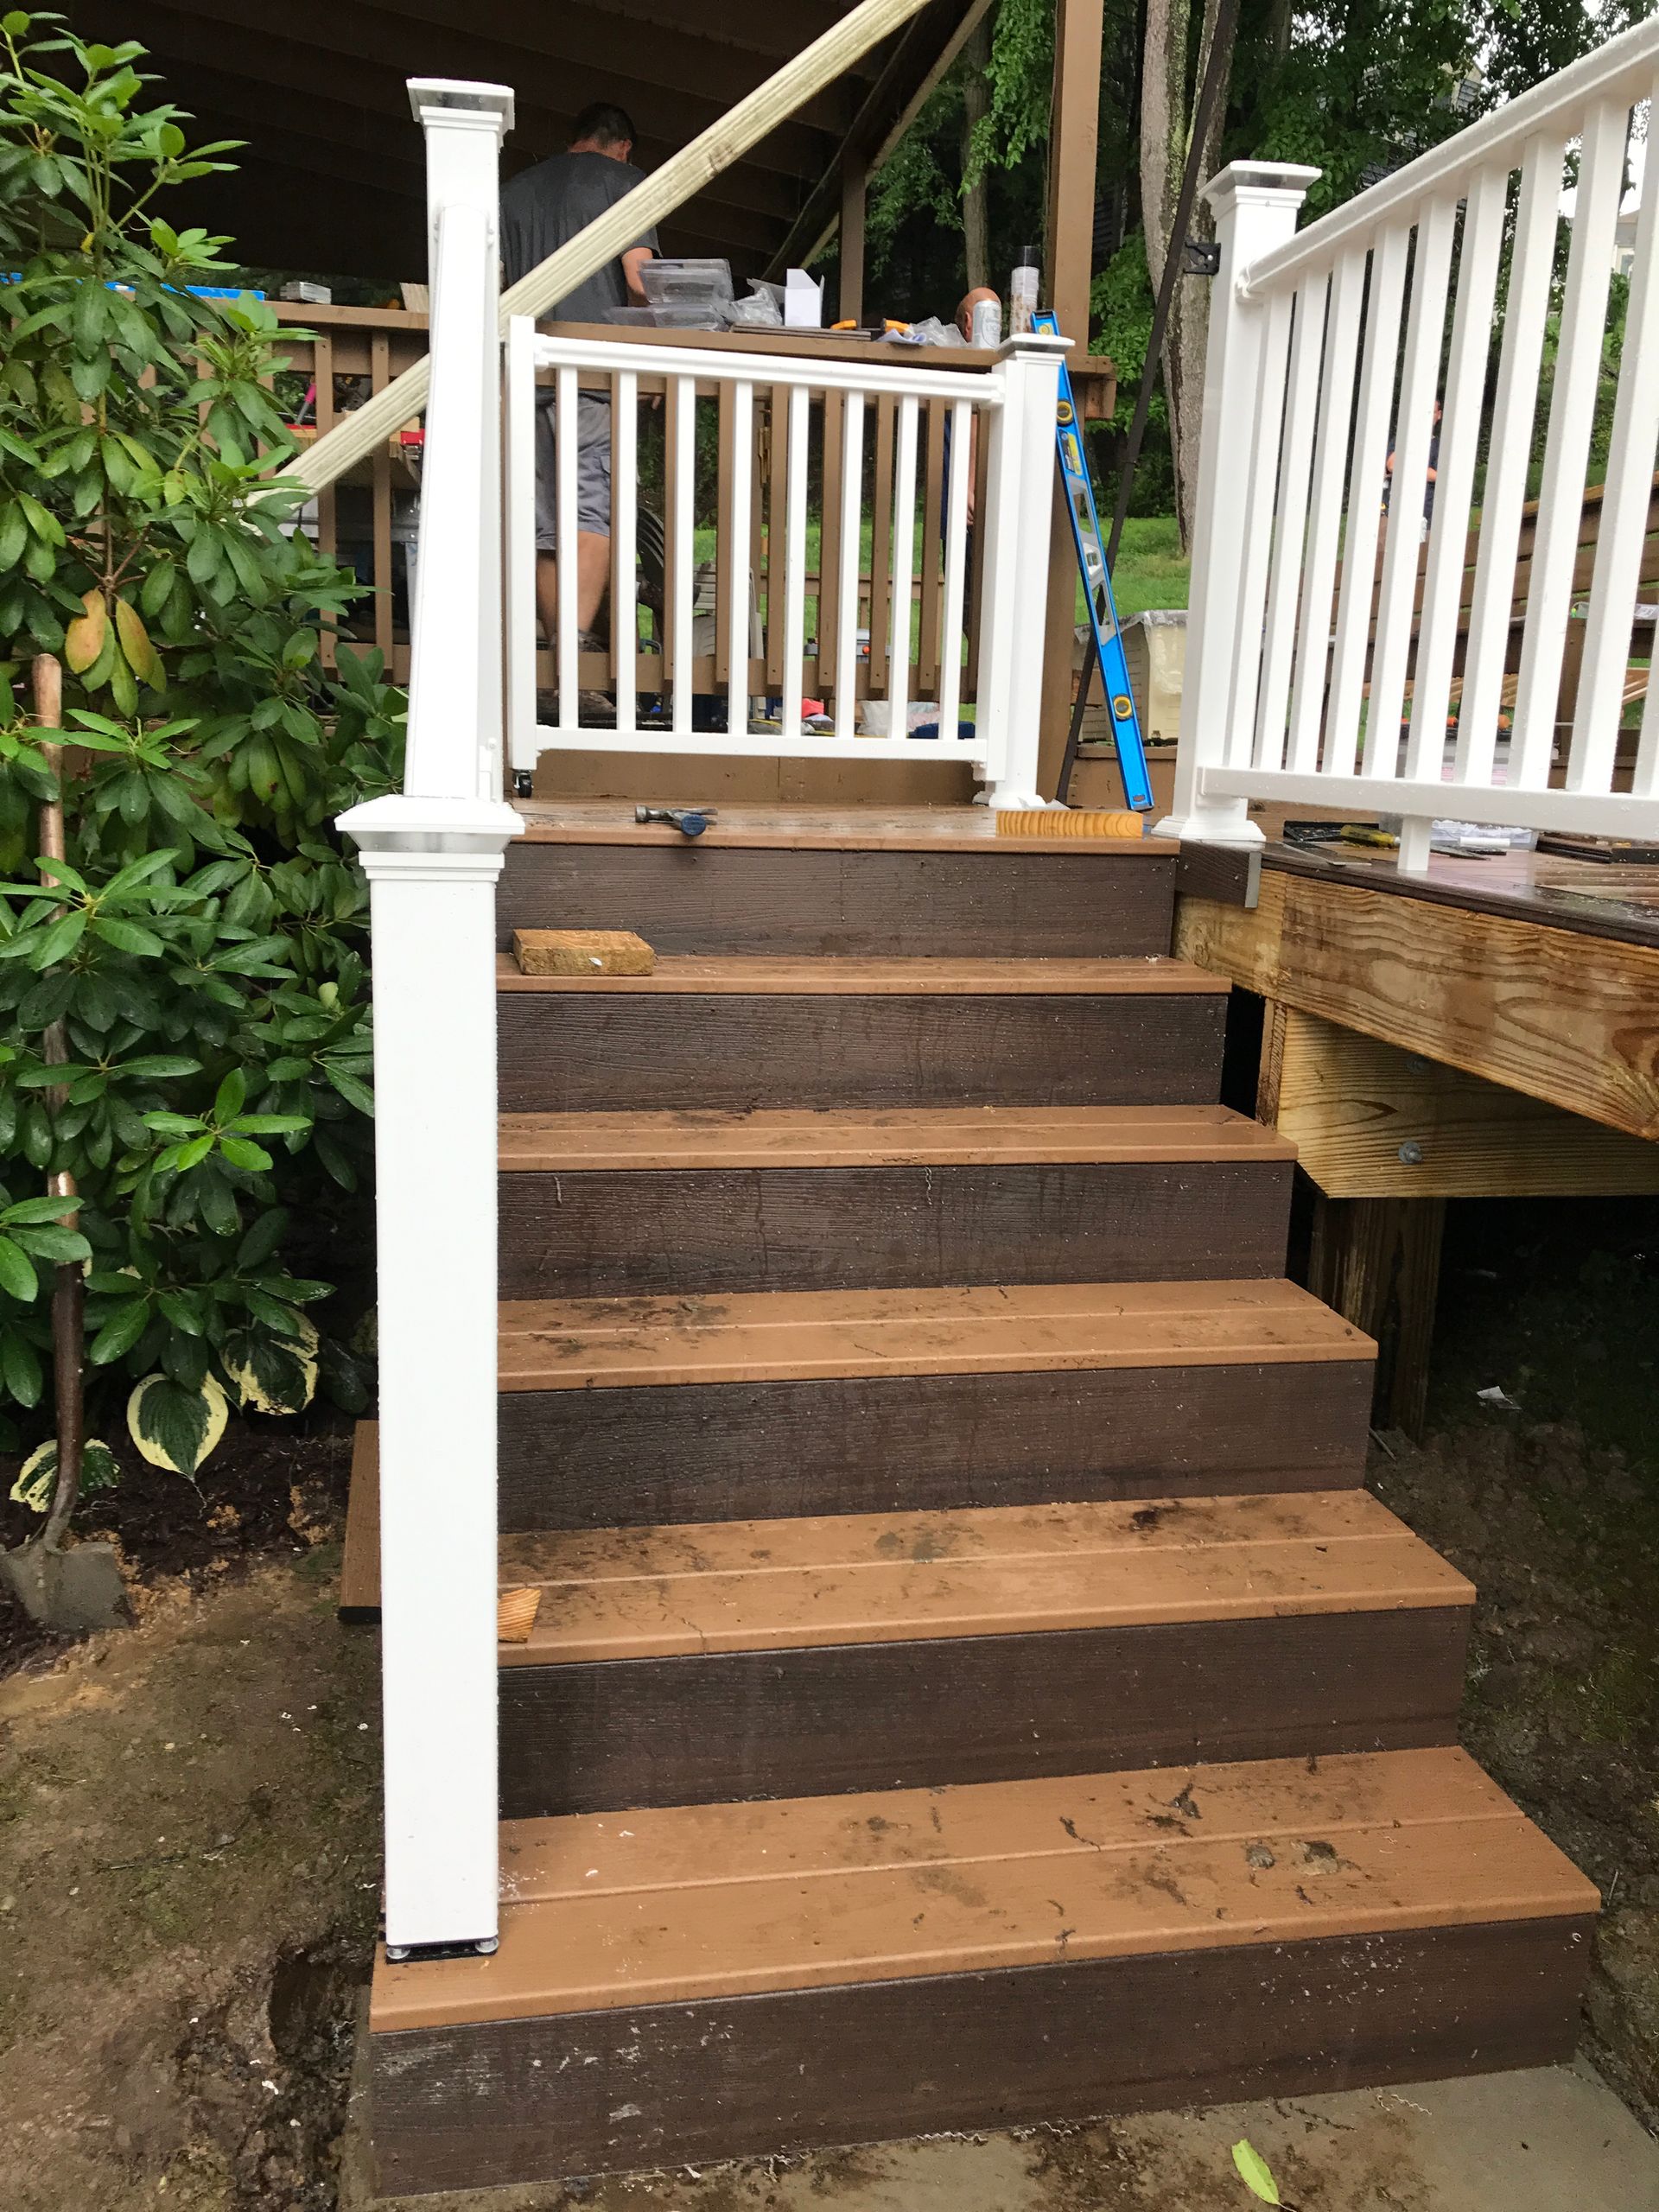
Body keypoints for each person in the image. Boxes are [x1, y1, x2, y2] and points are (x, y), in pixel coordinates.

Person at [500, 103, 658, 690]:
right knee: (592, 508)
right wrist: (656, 353)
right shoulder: (626, 182)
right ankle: (573, 662)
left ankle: (554, 659)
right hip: (594, 375)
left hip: (527, 373)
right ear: (623, 146)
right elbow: (640, 281)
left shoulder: (513, 192)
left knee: (544, 519)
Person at [1384, 399, 1441, 541]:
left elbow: (1440, 476)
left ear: (1439, 415)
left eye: (1432, 412)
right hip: (1396, 513)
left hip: (1428, 516)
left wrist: (1406, 466)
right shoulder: (1401, 440)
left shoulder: (1441, 446)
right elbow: (1392, 465)